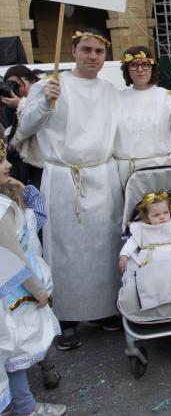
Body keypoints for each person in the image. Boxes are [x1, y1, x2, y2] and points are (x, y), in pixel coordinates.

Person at [17, 28, 124, 351]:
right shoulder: (48, 85)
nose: (93, 57)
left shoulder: (110, 90)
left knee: (105, 247)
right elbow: (25, 128)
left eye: (99, 52)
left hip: (103, 174)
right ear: (73, 51)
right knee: (66, 250)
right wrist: (45, 103)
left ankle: (106, 311)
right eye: (86, 50)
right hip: (64, 177)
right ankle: (67, 319)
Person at [0, 140, 65, 416]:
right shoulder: (1, 211)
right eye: (1, 162)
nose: (8, 165)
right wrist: (39, 291)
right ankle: (26, 408)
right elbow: (13, 261)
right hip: (13, 295)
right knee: (15, 352)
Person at [114, 46, 171, 186]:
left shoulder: (169, 98)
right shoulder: (116, 99)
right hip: (124, 171)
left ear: (152, 67)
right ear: (127, 69)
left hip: (160, 168)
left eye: (145, 64)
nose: (140, 69)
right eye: (134, 65)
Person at [118, 191, 171, 274]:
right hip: (151, 260)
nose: (162, 217)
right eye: (156, 215)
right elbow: (131, 243)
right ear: (147, 218)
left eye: (166, 213)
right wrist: (124, 256)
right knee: (134, 266)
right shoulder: (143, 230)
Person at [1, 66, 42, 187]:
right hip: (23, 165)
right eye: (11, 85)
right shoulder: (11, 105)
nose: (18, 89)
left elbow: (33, 126)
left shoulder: (44, 98)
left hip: (43, 165)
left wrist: (20, 104)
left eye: (19, 84)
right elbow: (13, 138)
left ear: (32, 81)